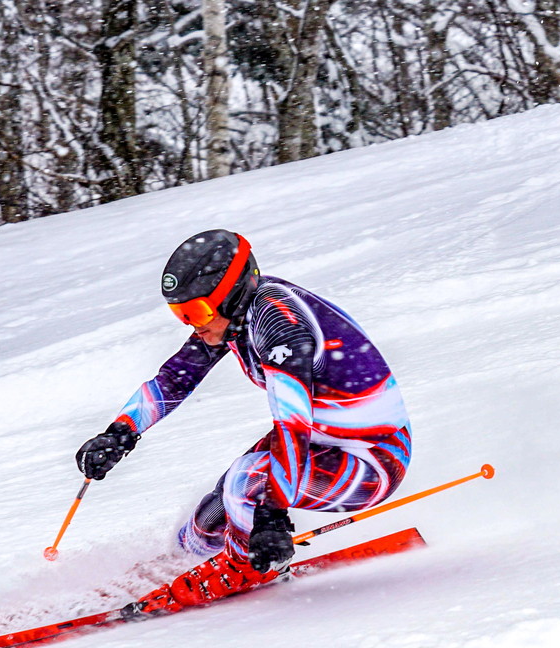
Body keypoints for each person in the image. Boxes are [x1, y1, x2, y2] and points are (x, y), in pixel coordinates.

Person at [75, 229, 412, 609]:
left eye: (197, 311)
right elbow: (174, 379)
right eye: (180, 313)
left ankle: (248, 568)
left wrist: (272, 515)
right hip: (321, 441)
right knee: (212, 514)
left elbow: (291, 423)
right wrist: (119, 433)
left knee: (247, 483)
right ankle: (187, 559)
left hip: (373, 458)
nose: (191, 323)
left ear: (231, 296)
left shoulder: (279, 323)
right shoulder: (233, 319)